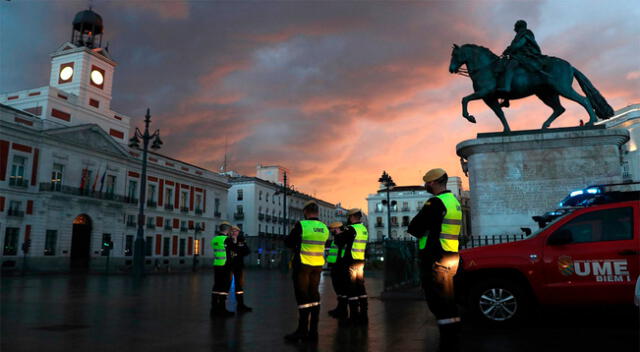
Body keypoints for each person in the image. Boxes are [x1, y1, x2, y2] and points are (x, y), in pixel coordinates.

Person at [408, 168, 462, 351]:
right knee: (449, 299)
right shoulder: (454, 202)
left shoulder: (435, 202)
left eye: (427, 182)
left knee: (437, 300)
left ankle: (447, 342)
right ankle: (454, 336)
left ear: (432, 182)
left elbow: (415, 227)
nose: (425, 185)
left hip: (436, 257)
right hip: (452, 255)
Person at [284, 201, 330, 342]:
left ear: (305, 212)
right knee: (314, 296)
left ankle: (302, 330)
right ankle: (313, 332)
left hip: (303, 265)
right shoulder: (324, 227)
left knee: (303, 297)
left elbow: (289, 242)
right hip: (317, 266)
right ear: (317, 212)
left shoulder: (302, 225)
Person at [337, 208, 369, 325]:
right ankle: (364, 315)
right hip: (360, 261)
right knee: (360, 287)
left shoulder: (351, 229)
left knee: (351, 289)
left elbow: (340, 242)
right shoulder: (363, 229)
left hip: (351, 262)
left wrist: (338, 233)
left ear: (351, 217)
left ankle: (354, 317)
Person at [498, 19, 544, 95]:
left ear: (519, 26)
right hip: (518, 54)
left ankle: (507, 87)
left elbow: (520, 44)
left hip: (525, 55)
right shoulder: (520, 34)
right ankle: (505, 98)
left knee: (510, 66)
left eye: (515, 26)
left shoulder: (525, 33)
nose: (514, 28)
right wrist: (509, 49)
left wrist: (511, 49)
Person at [211, 221, 234, 317]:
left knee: (216, 286)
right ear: (228, 230)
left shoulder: (214, 239)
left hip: (217, 264)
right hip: (225, 265)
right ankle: (222, 309)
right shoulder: (227, 240)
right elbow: (231, 253)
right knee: (224, 287)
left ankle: (214, 308)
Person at [327, 221, 348, 319]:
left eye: (332, 230)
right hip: (337, 267)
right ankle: (340, 309)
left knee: (341, 289)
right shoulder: (338, 238)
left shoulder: (341, 238)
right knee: (339, 290)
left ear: (337, 229)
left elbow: (340, 253)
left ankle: (342, 311)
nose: (331, 231)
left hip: (340, 268)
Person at [229, 225, 252, 313]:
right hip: (228, 266)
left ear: (238, 232)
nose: (234, 232)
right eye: (233, 231)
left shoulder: (241, 241)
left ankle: (241, 305)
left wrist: (239, 250)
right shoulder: (228, 240)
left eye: (236, 231)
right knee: (225, 286)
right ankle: (221, 306)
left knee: (239, 286)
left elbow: (247, 251)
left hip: (238, 266)